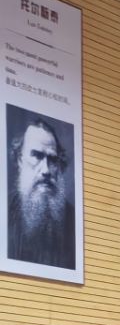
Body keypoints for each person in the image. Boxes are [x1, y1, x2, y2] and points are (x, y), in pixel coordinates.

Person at [7, 113, 75, 268]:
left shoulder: (73, 220)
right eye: (37, 156)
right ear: (20, 160)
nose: (46, 170)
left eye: (52, 160)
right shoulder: (4, 213)